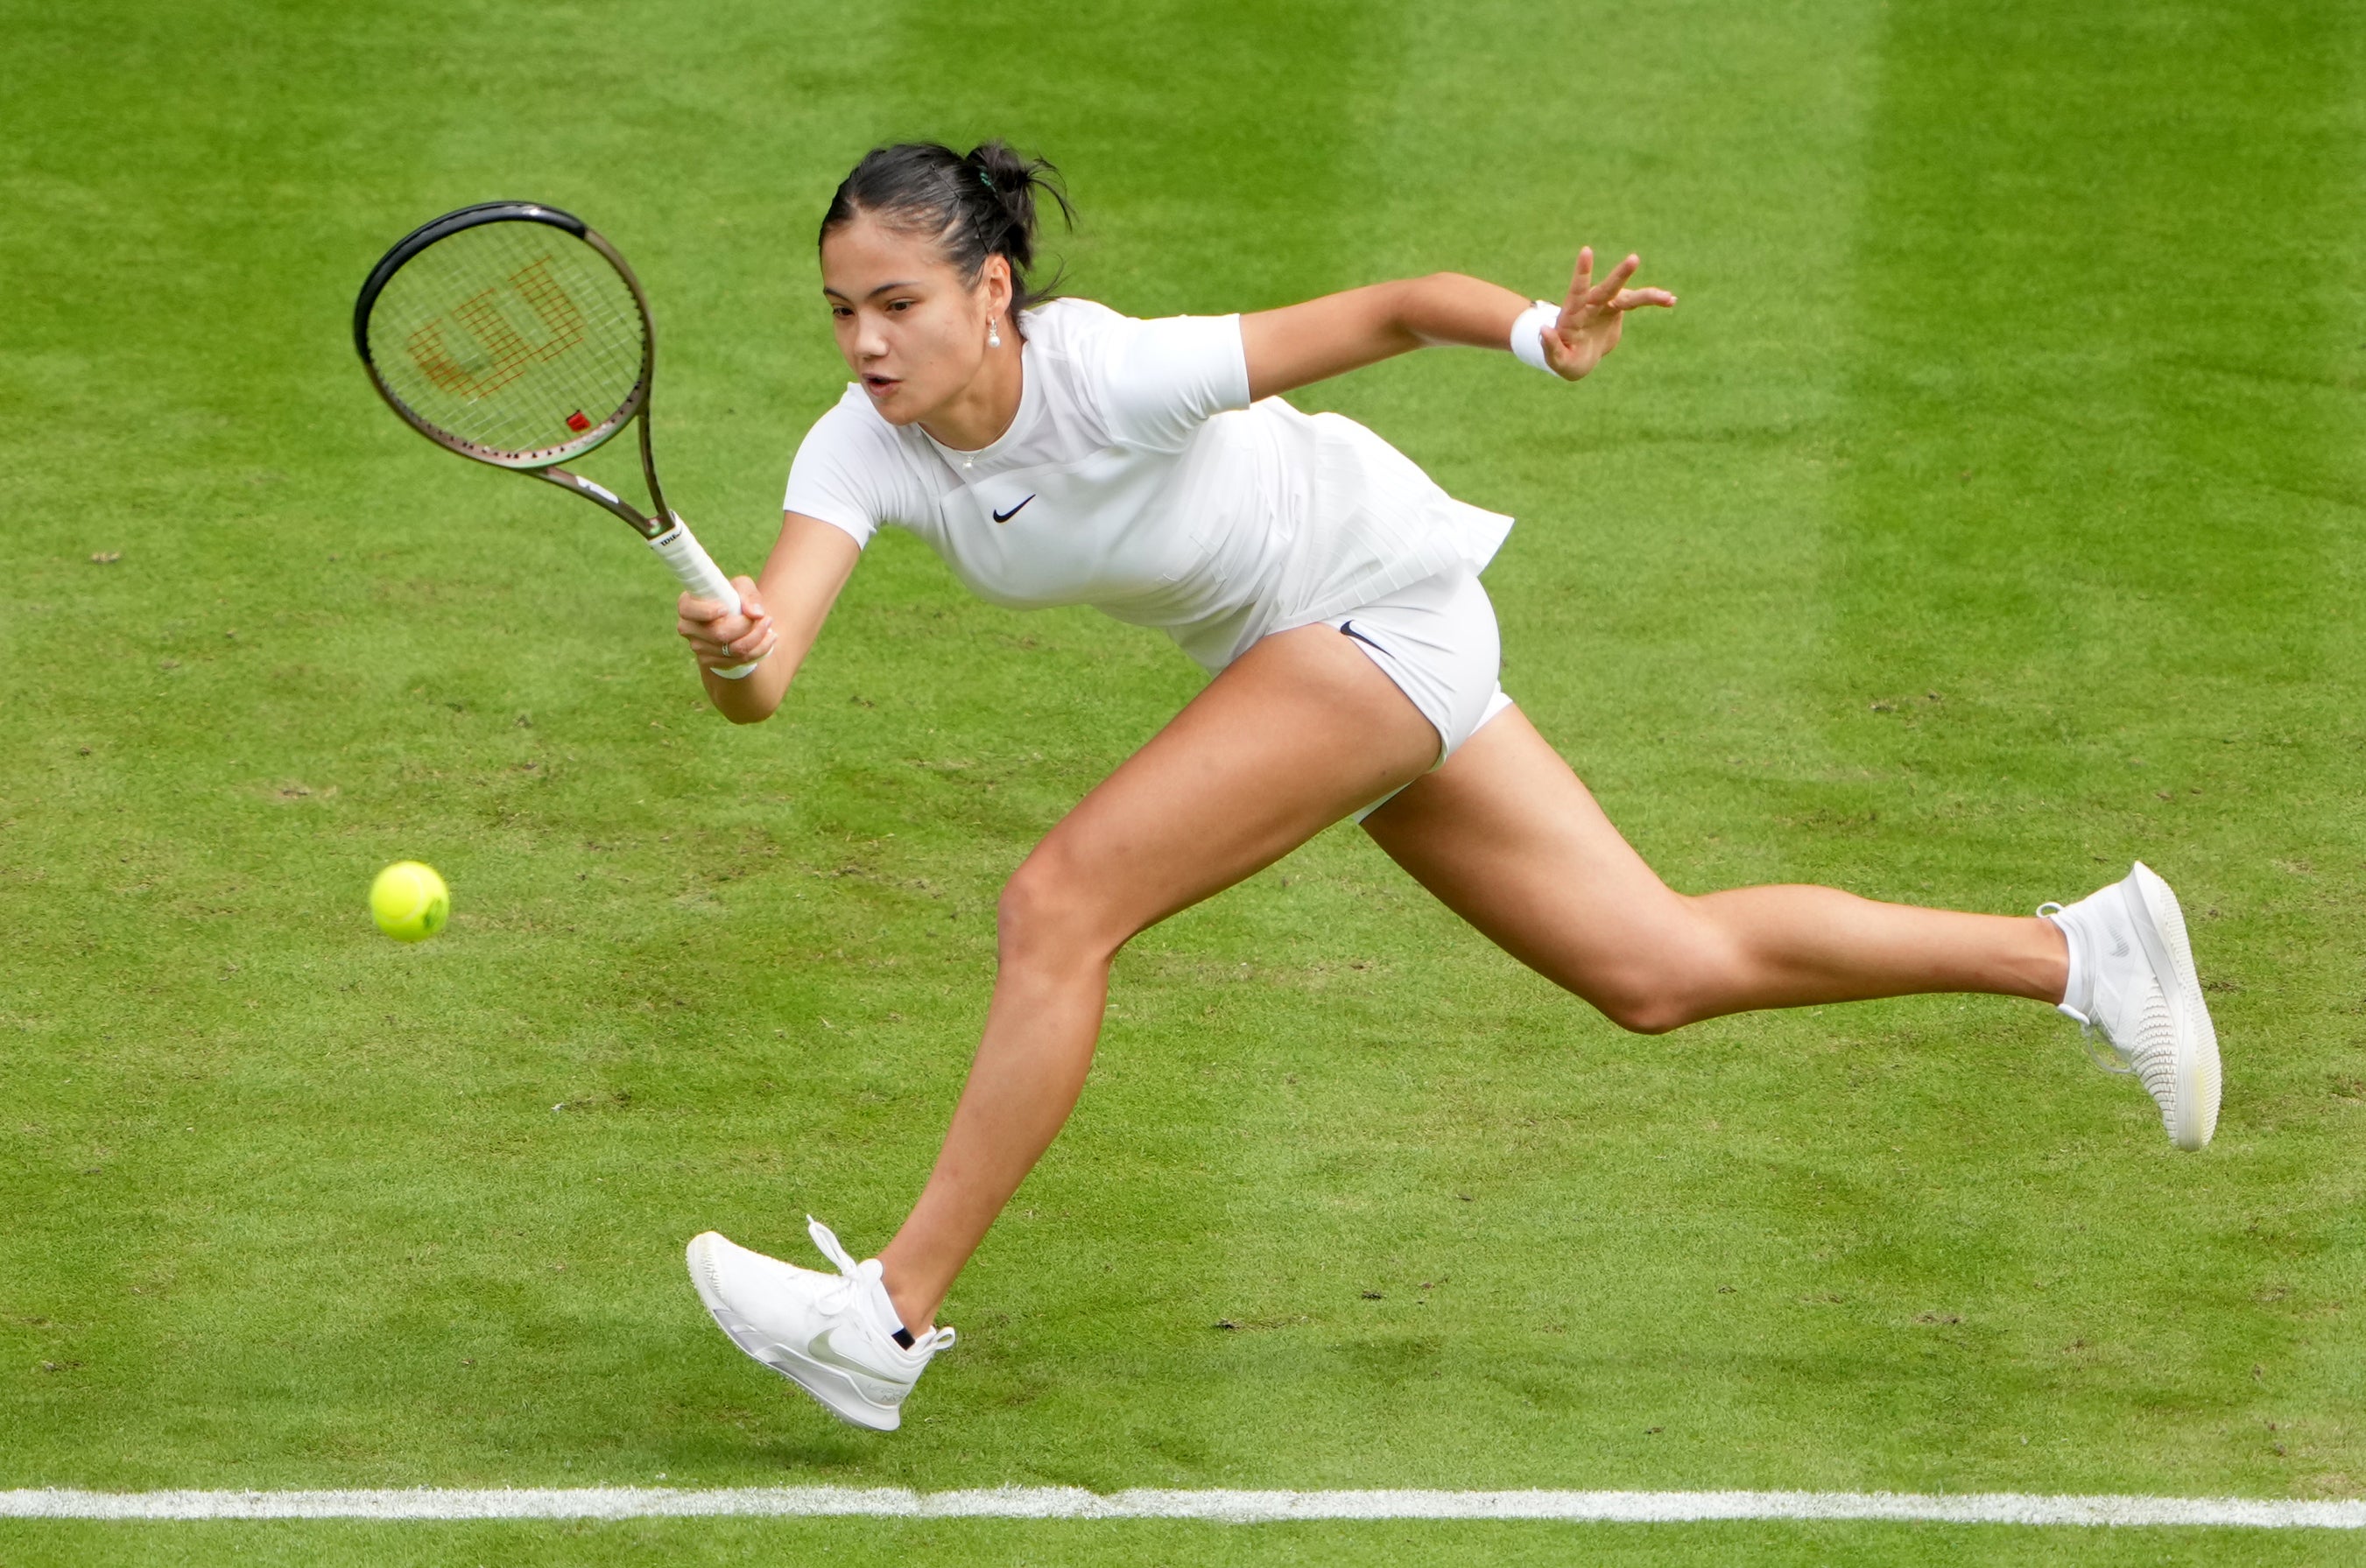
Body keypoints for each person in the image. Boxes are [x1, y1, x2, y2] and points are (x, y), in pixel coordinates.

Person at [678, 140, 2222, 1432]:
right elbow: (766, 689)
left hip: (1374, 615)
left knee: (1058, 904)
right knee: (1656, 968)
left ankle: (886, 1315)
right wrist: (731, 640)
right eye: (840, 312)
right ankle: (2082, 959)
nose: (865, 342)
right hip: (1316, 656)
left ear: (991, 289)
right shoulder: (859, 445)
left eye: (897, 304)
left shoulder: (1114, 375)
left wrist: (1540, 337)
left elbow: (1396, 309)